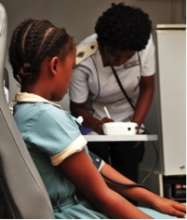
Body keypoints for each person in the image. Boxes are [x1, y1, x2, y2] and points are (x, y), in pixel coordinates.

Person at [10, 18, 186, 219]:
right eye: (70, 66)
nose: (70, 76)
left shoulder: (28, 112)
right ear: (55, 65)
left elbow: (95, 166)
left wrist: (153, 199)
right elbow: (103, 196)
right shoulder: (45, 117)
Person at [70, 3, 155, 182]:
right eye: (115, 56)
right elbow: (77, 108)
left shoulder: (143, 44)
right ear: (102, 45)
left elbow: (147, 87)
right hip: (95, 120)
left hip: (130, 119)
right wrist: (99, 125)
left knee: (128, 174)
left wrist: (134, 126)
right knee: (99, 174)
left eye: (128, 56)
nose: (122, 61)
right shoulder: (82, 58)